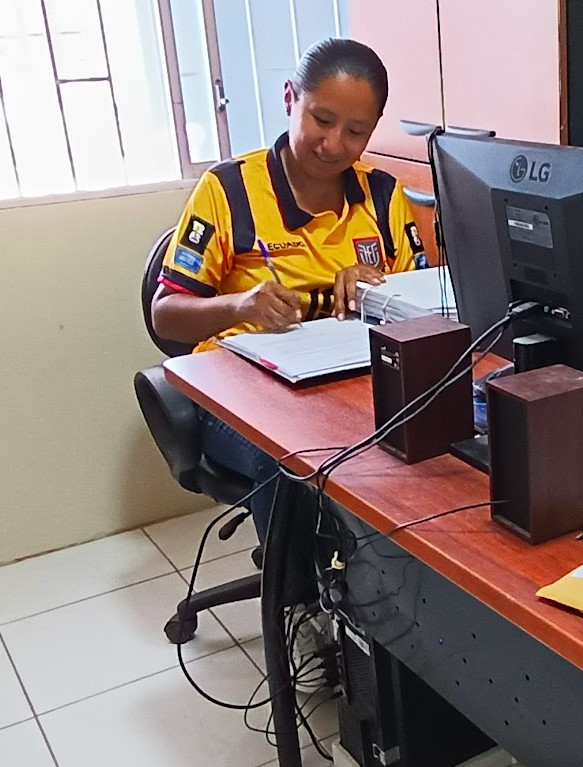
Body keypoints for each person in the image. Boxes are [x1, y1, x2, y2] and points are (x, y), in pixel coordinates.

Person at [151, 37, 428, 539]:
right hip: (238, 394)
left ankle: (375, 578)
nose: (334, 145)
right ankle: (294, 586)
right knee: (291, 464)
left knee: (420, 443)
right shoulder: (229, 190)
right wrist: (239, 305)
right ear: (289, 98)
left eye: (356, 132)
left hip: (346, 384)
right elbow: (165, 314)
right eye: (322, 120)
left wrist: (379, 290)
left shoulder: (383, 195)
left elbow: (431, 309)